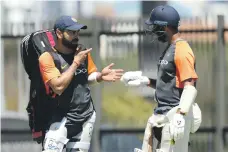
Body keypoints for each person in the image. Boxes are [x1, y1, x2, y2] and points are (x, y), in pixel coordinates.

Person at [121, 5, 202, 152]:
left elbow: (189, 85)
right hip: (161, 114)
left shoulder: (182, 49)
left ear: (164, 27)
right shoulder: (169, 48)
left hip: (174, 115)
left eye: (155, 26)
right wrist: (145, 80)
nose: (153, 31)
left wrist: (180, 114)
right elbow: (169, 83)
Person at [39, 15, 124, 152]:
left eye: (77, 32)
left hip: (85, 116)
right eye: (72, 32)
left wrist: (100, 76)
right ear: (59, 33)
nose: (76, 35)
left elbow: (88, 76)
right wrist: (76, 62)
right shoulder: (47, 57)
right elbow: (58, 87)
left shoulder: (81, 52)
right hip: (60, 116)